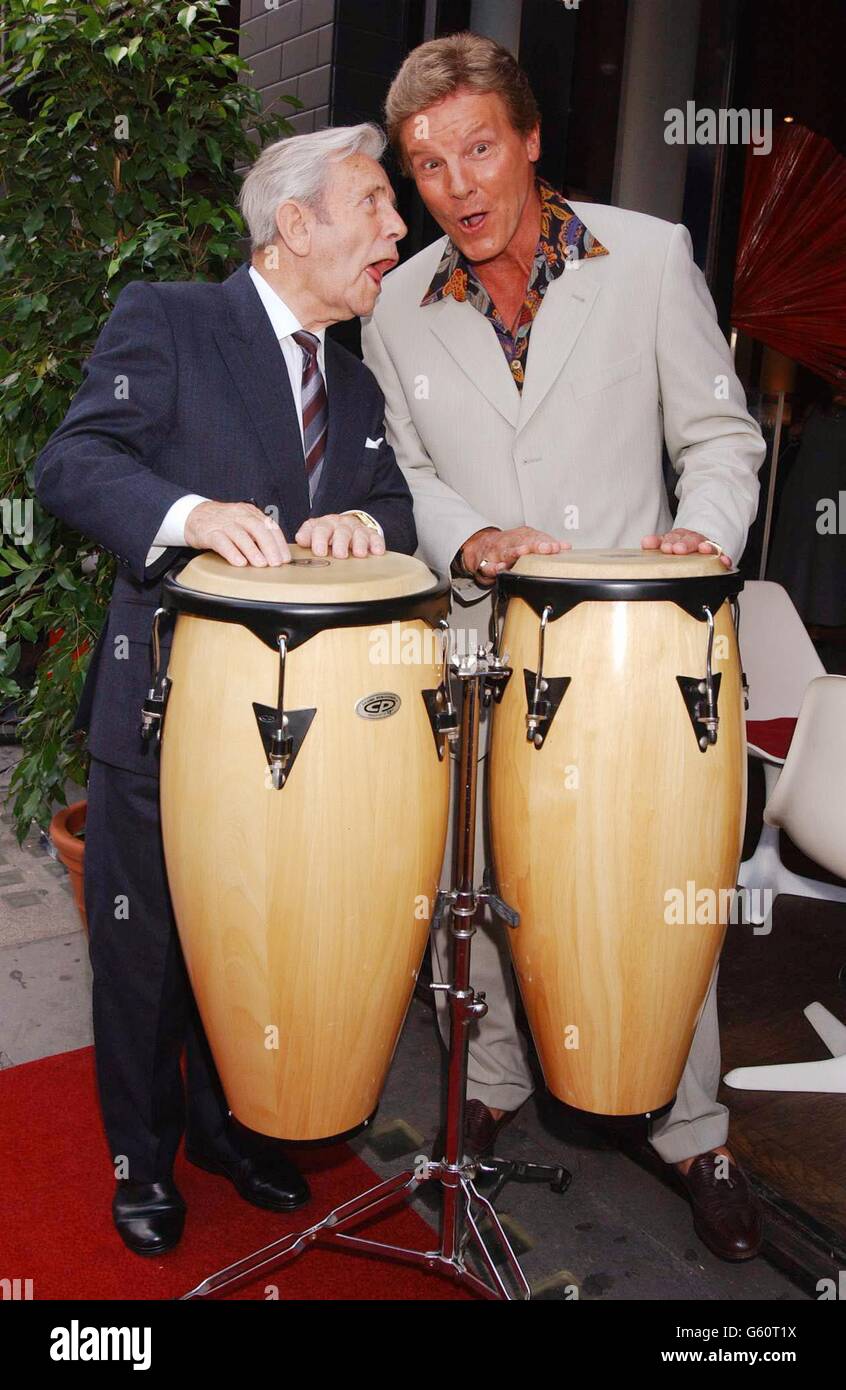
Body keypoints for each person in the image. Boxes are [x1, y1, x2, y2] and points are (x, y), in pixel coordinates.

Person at [361, 33, 767, 1262]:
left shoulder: (649, 259)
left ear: (533, 139)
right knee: (475, 883)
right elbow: (412, 477)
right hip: (483, 654)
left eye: (480, 147)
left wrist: (698, 541)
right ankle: (487, 1081)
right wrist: (470, 535)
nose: (459, 185)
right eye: (428, 164)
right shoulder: (392, 306)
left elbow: (722, 438)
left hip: (642, 655)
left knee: (651, 890)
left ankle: (695, 1128)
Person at [35, 123, 410, 1256]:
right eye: (377, 204)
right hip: (168, 717)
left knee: (251, 940)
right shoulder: (172, 318)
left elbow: (395, 512)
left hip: (309, 740)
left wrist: (364, 522)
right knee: (148, 955)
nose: (401, 228)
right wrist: (191, 517)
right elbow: (76, 460)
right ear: (296, 225)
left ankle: (226, 1127)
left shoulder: (353, 381)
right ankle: (140, 1161)